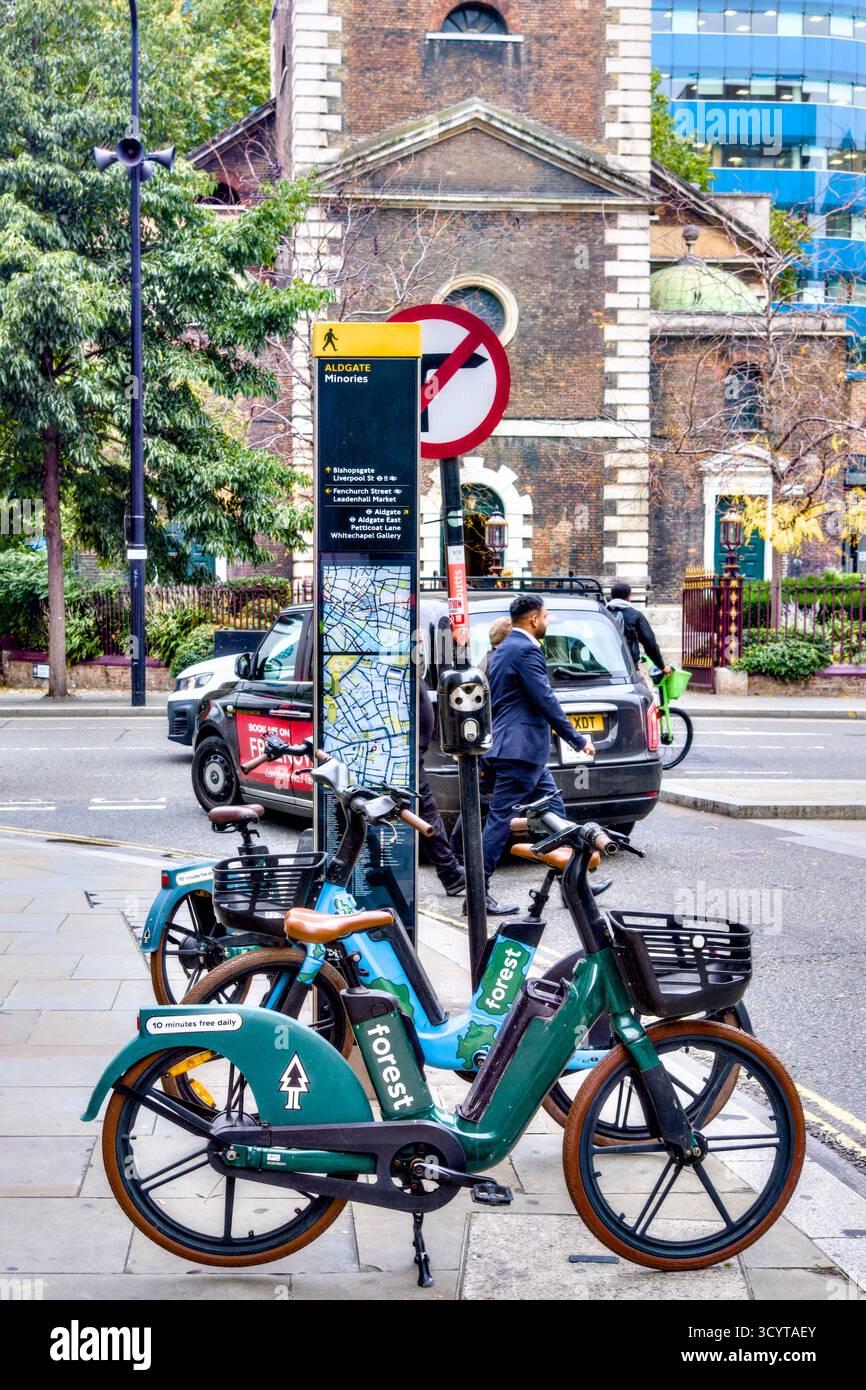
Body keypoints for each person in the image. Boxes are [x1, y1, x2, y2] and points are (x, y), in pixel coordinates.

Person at [478, 593, 597, 915]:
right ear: (534, 619)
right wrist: (576, 739)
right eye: (546, 616)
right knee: (499, 822)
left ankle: (573, 881)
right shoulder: (527, 650)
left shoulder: (503, 649)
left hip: (518, 747)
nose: (548, 621)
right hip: (521, 749)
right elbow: (545, 700)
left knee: (555, 811)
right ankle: (477, 895)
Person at [417, 678, 465, 897]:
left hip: (409, 753)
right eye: (417, 640)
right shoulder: (394, 660)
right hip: (398, 752)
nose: (418, 641)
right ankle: (450, 872)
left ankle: (451, 872)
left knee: (425, 810)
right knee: (425, 810)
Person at [606, 581, 671, 688]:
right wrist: (662, 666)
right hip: (629, 670)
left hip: (604, 670)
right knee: (645, 699)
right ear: (628, 597)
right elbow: (650, 644)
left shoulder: (603, 614)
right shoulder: (635, 615)